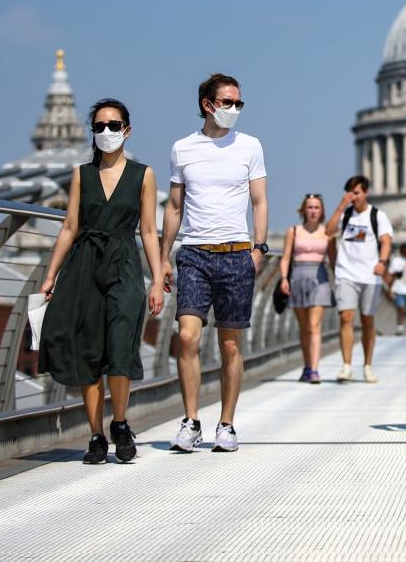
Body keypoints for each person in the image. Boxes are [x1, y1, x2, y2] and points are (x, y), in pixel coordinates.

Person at [38, 98, 165, 465]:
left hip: (125, 262)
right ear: (92, 133)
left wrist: (157, 279)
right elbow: (69, 227)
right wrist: (50, 276)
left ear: (127, 129)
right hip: (84, 265)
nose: (106, 132)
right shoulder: (81, 174)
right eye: (99, 127)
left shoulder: (144, 174)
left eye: (113, 125)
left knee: (122, 345)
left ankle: (120, 423)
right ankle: (95, 434)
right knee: (89, 351)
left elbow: (148, 230)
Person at [161, 74, 268, 452]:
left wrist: (259, 249)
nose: (235, 110)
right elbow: (174, 206)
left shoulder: (250, 146)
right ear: (208, 104)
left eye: (239, 103)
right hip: (194, 253)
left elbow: (259, 201)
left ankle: (226, 423)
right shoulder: (182, 149)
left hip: (237, 253)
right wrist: (162, 257)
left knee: (230, 346)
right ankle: (191, 421)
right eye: (228, 103)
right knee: (187, 336)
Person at [325, 176, 392, 383]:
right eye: (350, 192)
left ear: (366, 193)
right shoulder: (344, 214)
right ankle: (346, 366)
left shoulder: (377, 215)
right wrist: (340, 206)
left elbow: (386, 240)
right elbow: (328, 232)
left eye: (356, 192)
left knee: (367, 321)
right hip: (347, 274)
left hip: (369, 276)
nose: (353, 196)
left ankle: (367, 365)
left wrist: (382, 261)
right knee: (346, 318)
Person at [279, 194, 333, 383]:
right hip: (298, 278)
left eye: (316, 207)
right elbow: (285, 257)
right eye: (309, 207)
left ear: (322, 211)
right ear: (303, 210)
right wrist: (284, 278)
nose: (313, 211)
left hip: (320, 279)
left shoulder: (327, 232)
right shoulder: (293, 231)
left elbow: (333, 258)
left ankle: (315, 370)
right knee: (303, 328)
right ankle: (307, 365)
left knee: (314, 326)